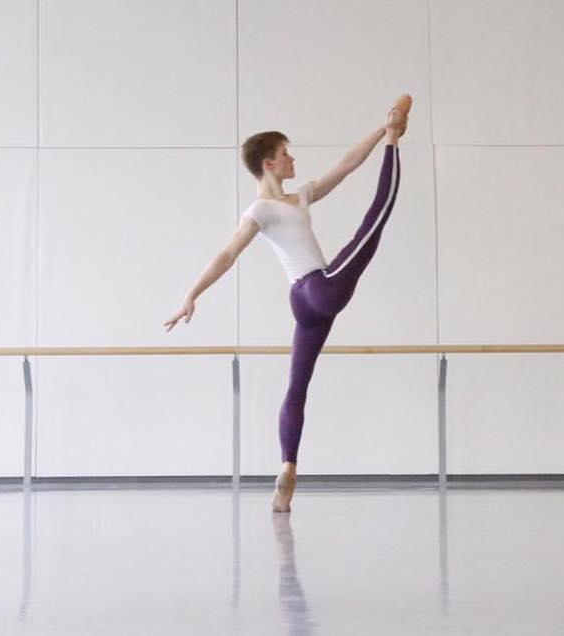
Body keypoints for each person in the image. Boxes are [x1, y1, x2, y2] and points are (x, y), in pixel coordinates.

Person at [165, 94, 412, 512]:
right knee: (376, 219)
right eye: (285, 154)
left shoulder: (298, 198)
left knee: (297, 386)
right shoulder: (261, 209)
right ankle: (395, 149)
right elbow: (227, 254)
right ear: (269, 164)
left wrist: (380, 128)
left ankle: (287, 467)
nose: (292, 159)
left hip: (304, 301)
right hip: (319, 288)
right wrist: (192, 293)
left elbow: (346, 167)